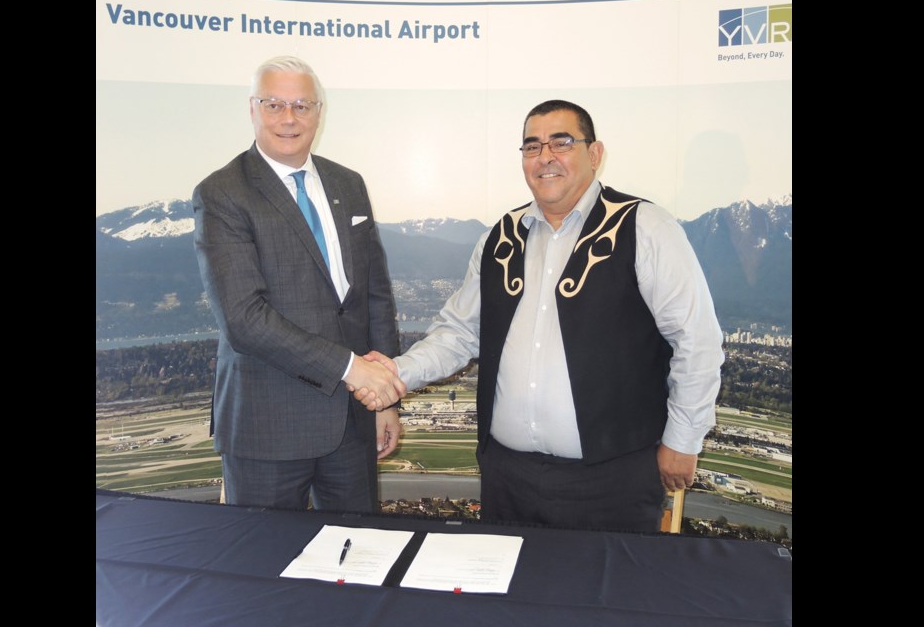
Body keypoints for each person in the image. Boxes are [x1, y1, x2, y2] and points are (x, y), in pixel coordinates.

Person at [357, 100, 724, 532]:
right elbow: (457, 333)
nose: (545, 156)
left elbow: (697, 341)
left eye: (561, 142)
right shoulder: (500, 237)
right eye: (532, 147)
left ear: (595, 154)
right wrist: (394, 373)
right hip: (508, 478)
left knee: (603, 597)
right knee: (510, 596)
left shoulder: (644, 227)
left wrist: (683, 440)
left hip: (612, 480)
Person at [193, 55, 406, 513]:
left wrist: (384, 399)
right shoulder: (222, 193)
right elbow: (244, 320)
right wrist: (353, 369)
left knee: (359, 559)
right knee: (264, 567)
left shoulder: (348, 184)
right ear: (252, 109)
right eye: (274, 104)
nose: (289, 118)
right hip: (267, 425)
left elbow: (374, 295)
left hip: (353, 421)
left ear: (319, 112)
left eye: (302, 106)